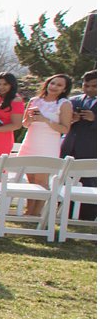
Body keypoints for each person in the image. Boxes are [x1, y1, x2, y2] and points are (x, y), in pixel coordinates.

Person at [19, 73, 74, 217]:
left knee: (41, 180)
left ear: (64, 89)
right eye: (53, 83)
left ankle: (37, 214)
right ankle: (28, 212)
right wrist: (30, 119)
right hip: (30, 142)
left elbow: (65, 128)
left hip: (48, 145)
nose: (54, 87)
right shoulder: (34, 100)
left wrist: (45, 120)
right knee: (31, 180)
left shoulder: (64, 104)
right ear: (47, 84)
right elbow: (24, 124)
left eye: (59, 85)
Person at [60, 70, 97, 219]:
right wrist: (71, 119)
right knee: (66, 179)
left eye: (94, 86)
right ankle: (64, 212)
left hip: (92, 149)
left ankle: (86, 216)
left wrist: (94, 119)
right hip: (70, 146)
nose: (89, 89)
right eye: (86, 85)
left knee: (89, 182)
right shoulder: (74, 101)